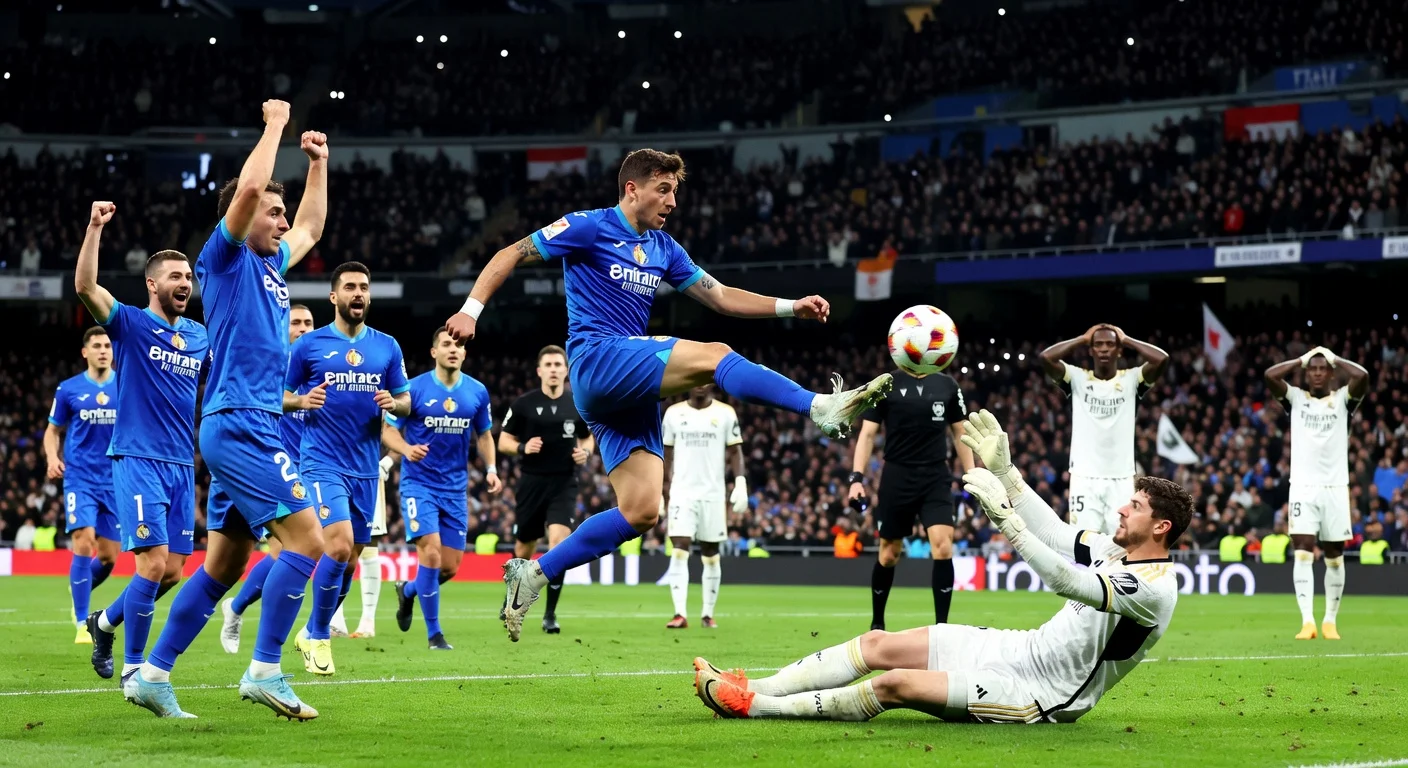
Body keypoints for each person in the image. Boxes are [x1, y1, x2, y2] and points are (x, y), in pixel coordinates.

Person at [443, 148, 892, 641]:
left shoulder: (664, 248)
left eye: (675, 191)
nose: (673, 201)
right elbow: (510, 253)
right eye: (663, 189)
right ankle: (819, 406)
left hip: (626, 391)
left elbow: (720, 296)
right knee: (716, 355)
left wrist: (790, 306)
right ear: (632, 189)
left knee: (641, 511)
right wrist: (471, 310)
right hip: (597, 359)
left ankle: (534, 573)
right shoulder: (588, 226)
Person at [693, 410, 1192, 725]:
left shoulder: (1153, 588)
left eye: (1135, 507)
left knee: (893, 684)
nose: (1121, 510)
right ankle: (753, 684)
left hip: (1041, 694)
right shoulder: (1115, 549)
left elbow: (1066, 580)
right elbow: (1056, 533)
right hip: (1017, 648)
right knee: (878, 644)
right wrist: (1006, 473)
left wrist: (1007, 522)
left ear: (1161, 527)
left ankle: (754, 707)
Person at [137, 99, 330, 720]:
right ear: (241, 217)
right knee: (310, 541)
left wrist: (318, 164)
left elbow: (312, 229)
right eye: (273, 211)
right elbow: (248, 189)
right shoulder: (222, 258)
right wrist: (274, 126)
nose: (282, 220)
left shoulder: (272, 264)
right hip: (243, 421)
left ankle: (153, 674)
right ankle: (265, 669)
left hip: (246, 423)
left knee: (223, 566)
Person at [73, 201, 208, 718]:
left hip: (181, 465)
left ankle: (104, 622)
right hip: (137, 458)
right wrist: (94, 228)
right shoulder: (129, 324)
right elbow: (86, 286)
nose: (185, 282)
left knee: (171, 571)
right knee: (150, 564)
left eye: (188, 276)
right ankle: (136, 672)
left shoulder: (198, 335)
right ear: (152, 284)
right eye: (175, 276)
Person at [285, 262, 410, 674]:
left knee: (351, 560)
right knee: (336, 546)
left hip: (365, 469)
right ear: (334, 296)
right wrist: (301, 401)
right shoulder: (309, 346)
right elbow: (277, 396)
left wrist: (395, 404)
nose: (358, 293)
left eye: (364, 287)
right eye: (350, 287)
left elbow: (406, 401)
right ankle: (320, 637)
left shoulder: (387, 346)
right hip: (321, 462)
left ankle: (311, 629)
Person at [385, 326, 500, 647]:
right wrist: (406, 449)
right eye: (446, 344)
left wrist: (491, 469)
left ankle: (408, 590)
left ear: (464, 353)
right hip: (418, 484)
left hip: (455, 489)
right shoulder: (413, 389)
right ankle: (435, 635)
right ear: (434, 352)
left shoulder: (477, 392)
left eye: (458, 345)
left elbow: (485, 435)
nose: (453, 349)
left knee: (448, 567)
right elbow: (388, 430)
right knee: (431, 553)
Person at [218, 303, 315, 654]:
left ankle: (242, 608)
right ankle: (249, 620)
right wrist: (300, 401)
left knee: (329, 547)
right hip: (274, 464)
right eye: (296, 322)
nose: (302, 328)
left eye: (308, 323)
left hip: (316, 466)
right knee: (284, 549)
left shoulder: (321, 368)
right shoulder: (273, 366)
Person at [848, 363, 973, 630]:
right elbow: (867, 434)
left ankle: (942, 629)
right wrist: (856, 478)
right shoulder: (885, 384)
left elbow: (960, 432)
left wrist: (972, 475)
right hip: (897, 476)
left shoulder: (947, 385)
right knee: (889, 554)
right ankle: (877, 624)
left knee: (943, 546)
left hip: (935, 476)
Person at [1264, 345, 1369, 640]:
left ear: (1331, 373)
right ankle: (1307, 622)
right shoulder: (1296, 399)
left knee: (1334, 553)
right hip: (1302, 486)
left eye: (1323, 368)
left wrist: (1335, 358)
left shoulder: (1343, 399)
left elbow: (1362, 376)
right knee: (1303, 549)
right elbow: (1270, 376)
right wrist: (1301, 359)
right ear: (1306, 373)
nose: (1318, 373)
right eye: (1313, 369)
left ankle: (1330, 621)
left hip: (1335, 487)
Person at [1039, 324, 1168, 534]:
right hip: (1083, 476)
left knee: (1120, 540)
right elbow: (1046, 358)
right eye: (1098, 344)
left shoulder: (1132, 379)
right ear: (1091, 350)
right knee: (1083, 541)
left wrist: (1126, 339)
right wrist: (1082, 338)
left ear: (1119, 350)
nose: (1104, 349)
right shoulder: (1077, 378)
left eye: (1110, 344)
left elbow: (1161, 359)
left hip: (1121, 477)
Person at [497, 345, 590, 634]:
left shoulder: (577, 404)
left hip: (564, 482)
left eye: (558, 364)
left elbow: (588, 438)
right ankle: (512, 600)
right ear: (539, 371)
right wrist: (522, 447)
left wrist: (585, 452)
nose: (553, 369)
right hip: (531, 482)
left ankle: (550, 614)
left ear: (565, 370)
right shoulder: (524, 404)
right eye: (548, 364)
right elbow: (503, 441)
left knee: (559, 545)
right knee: (524, 548)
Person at [44, 326, 121, 644]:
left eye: (107, 345)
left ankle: (79, 584)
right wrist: (52, 458)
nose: (103, 350)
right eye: (97, 346)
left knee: (109, 558)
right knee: (83, 540)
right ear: (85, 352)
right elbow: (53, 431)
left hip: (116, 479)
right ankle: (81, 622)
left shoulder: (126, 385)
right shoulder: (69, 389)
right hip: (80, 478)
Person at [661, 384, 745, 629]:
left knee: (710, 553)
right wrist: (659, 491)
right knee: (679, 547)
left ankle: (708, 614)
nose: (699, 385)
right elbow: (666, 455)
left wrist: (740, 483)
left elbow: (735, 451)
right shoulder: (673, 413)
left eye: (704, 380)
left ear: (712, 383)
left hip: (713, 494)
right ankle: (680, 613)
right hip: (682, 492)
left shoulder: (726, 413)